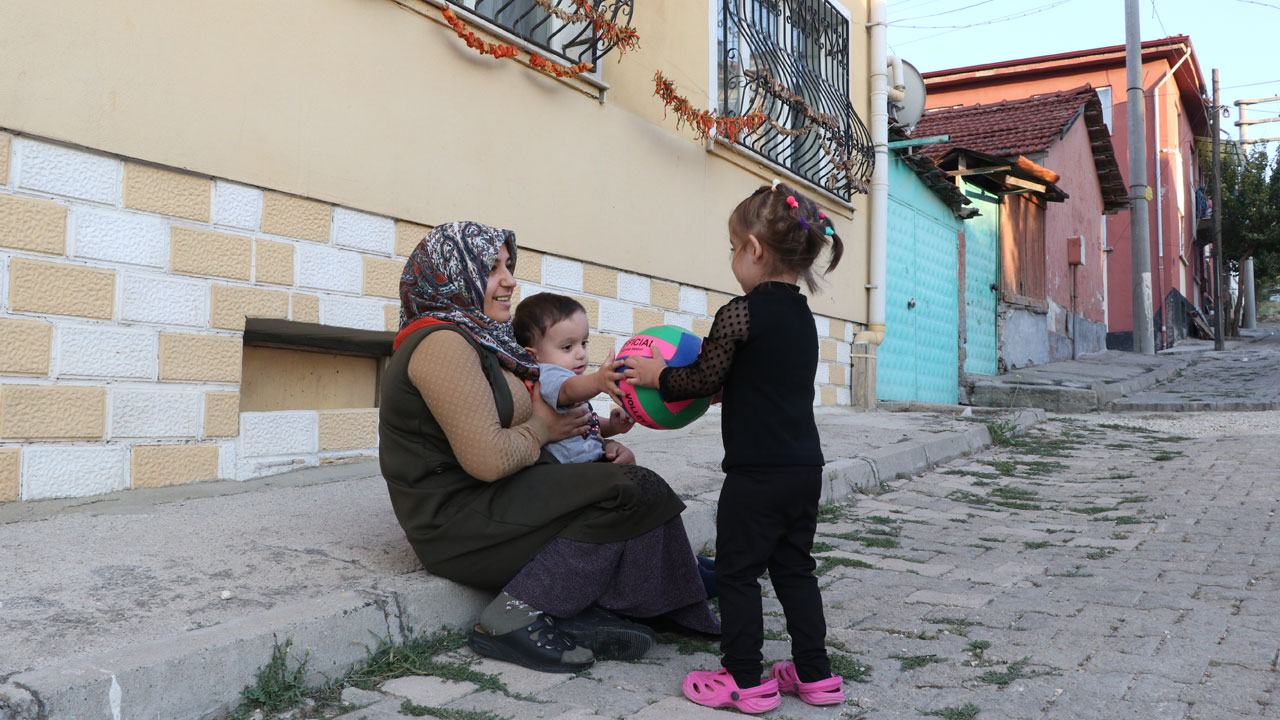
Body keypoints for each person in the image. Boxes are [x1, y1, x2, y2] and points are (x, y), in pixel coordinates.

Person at [378, 221, 718, 675]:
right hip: (457, 522)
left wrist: (592, 443)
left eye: (507, 265)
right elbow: (490, 458)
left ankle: (662, 591)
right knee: (626, 489)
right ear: (452, 274)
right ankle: (514, 616)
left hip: (498, 498)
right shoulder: (441, 344)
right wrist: (545, 427)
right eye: (491, 267)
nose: (509, 279)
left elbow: (530, 423)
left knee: (628, 484)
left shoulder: (481, 340)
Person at [624, 181, 846, 713]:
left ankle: (744, 678)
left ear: (754, 249)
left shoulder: (739, 313)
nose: (731, 259)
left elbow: (700, 379)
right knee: (795, 569)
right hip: (803, 469)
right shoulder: (803, 318)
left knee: (738, 572)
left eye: (732, 248)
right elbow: (765, 379)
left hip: (755, 475)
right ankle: (815, 676)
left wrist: (659, 374)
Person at [511, 292, 635, 465]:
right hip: (569, 469)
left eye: (583, 343)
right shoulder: (547, 374)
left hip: (590, 459)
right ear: (534, 356)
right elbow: (567, 390)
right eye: (568, 347)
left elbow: (585, 423)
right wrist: (598, 381)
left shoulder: (571, 377)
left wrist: (613, 426)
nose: (581, 354)